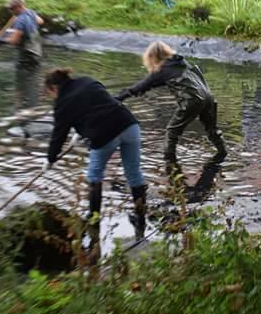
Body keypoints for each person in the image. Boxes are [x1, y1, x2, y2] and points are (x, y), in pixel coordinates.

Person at [42, 68, 147, 239]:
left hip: (104, 136)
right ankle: (141, 220)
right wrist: (81, 130)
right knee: (134, 174)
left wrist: (50, 159)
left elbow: (58, 136)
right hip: (129, 125)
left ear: (54, 88)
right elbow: (103, 103)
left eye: (49, 93)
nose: (52, 97)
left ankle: (94, 223)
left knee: (95, 176)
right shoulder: (87, 80)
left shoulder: (61, 102)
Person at [116, 41, 227, 169]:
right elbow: (163, 81)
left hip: (192, 100)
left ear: (152, 57)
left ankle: (170, 162)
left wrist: (118, 98)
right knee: (212, 130)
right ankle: (223, 153)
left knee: (172, 130)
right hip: (209, 98)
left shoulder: (162, 69)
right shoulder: (180, 62)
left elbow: (140, 86)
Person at [0, 0, 44, 109]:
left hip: (27, 54)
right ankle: (34, 103)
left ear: (19, 7)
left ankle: (20, 105)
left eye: (12, 8)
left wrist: (1, 41)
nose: (11, 11)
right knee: (33, 78)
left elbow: (15, 41)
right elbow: (40, 21)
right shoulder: (30, 13)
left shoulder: (20, 20)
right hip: (37, 52)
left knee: (20, 80)